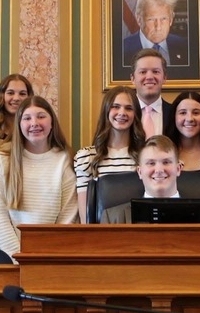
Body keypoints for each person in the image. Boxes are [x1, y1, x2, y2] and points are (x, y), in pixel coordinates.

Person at [0, 96, 78, 261]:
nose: (34, 123)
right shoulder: (0, 160)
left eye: (41, 116)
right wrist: (21, 258)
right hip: (8, 258)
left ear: (52, 122)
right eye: (27, 118)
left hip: (52, 258)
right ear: (19, 124)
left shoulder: (65, 159)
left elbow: (68, 217)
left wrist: (46, 259)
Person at [73, 86, 146, 223]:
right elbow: (85, 219)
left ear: (136, 114)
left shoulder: (147, 156)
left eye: (129, 108)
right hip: (101, 237)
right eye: (115, 107)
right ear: (106, 111)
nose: (122, 113)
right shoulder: (86, 157)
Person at [102, 135, 183, 224]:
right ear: (140, 172)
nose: (159, 170)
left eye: (166, 162)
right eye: (151, 163)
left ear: (178, 169)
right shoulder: (113, 218)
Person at [121, 0, 189, 67]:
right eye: (151, 19)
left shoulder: (184, 46)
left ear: (171, 19)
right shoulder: (122, 50)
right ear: (139, 19)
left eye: (164, 19)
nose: (158, 27)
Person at [164, 91, 200, 172]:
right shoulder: (162, 154)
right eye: (183, 113)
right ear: (174, 118)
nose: (189, 119)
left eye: (196, 113)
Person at [130, 48, 173, 137]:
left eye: (156, 72)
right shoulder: (121, 114)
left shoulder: (175, 113)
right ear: (133, 78)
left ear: (164, 77)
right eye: (143, 72)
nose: (149, 77)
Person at [0, 73, 33, 141]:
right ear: (2, 96)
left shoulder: (34, 126)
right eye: (10, 93)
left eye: (22, 94)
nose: (16, 98)